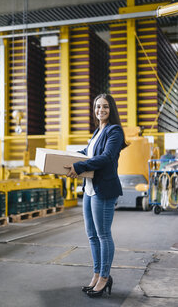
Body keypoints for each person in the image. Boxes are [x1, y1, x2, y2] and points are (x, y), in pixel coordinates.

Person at [64, 93, 127, 298]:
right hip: (90, 189)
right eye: (98, 107)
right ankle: (97, 274)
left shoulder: (114, 131)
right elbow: (88, 152)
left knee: (103, 235)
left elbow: (106, 157)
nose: (101, 110)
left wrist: (79, 165)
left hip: (104, 189)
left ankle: (105, 277)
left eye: (105, 107)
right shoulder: (97, 131)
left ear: (111, 109)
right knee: (92, 235)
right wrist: (65, 159)